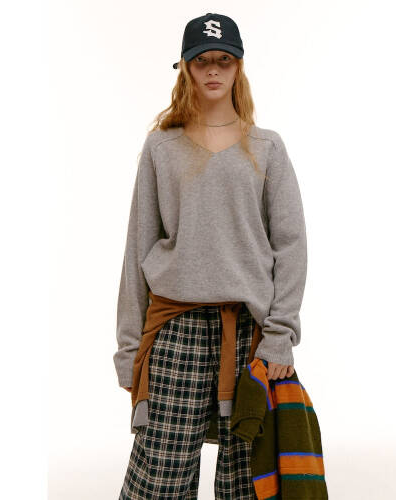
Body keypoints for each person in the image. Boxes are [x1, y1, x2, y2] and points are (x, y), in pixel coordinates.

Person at [115, 12, 307, 500]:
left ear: (239, 66)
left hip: (248, 333)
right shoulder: (161, 147)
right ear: (186, 67)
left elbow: (291, 245)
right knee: (158, 478)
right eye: (203, 60)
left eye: (225, 59)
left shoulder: (267, 147)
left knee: (248, 481)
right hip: (175, 329)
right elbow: (138, 248)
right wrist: (129, 349)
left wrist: (280, 336)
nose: (214, 70)